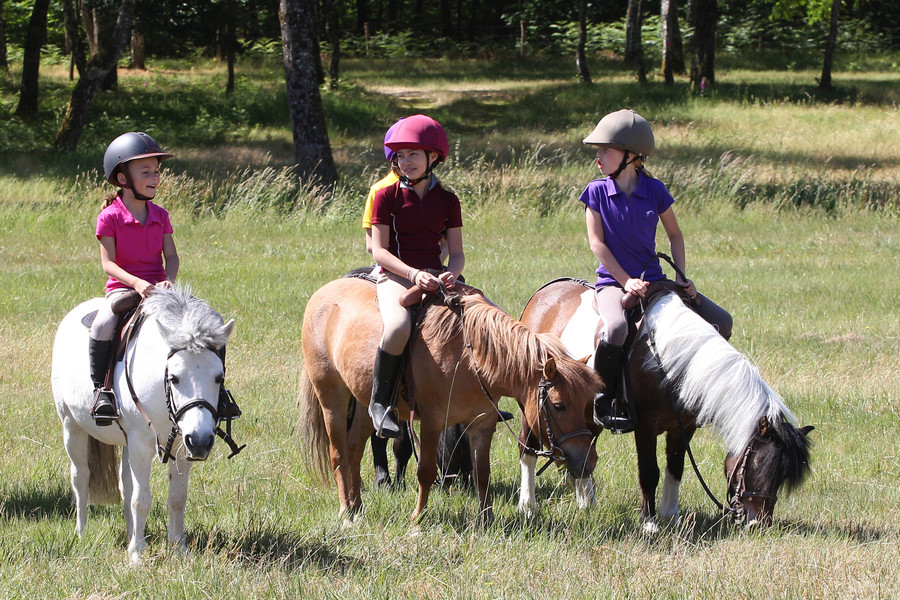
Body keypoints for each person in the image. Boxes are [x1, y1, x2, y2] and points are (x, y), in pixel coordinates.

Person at [579, 109, 733, 433]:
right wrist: (625, 281)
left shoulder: (656, 190)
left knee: (721, 321)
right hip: (612, 283)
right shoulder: (595, 192)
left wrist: (681, 278)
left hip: (655, 281)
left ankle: (699, 395)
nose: (599, 156)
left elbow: (675, 235)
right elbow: (597, 245)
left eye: (605, 149)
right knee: (617, 329)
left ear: (630, 156)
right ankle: (606, 400)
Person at [90, 132, 240, 426]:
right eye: (145, 172)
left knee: (212, 320)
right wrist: (135, 283)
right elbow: (108, 263)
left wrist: (169, 279)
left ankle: (219, 393)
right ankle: (102, 391)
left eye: (156, 171)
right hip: (124, 288)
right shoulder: (109, 217)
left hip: (161, 291)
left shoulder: (160, 214)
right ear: (123, 179)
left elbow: (171, 257)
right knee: (102, 324)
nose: (155, 177)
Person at [368, 114, 464, 438]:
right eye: (401, 155)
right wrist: (413, 273)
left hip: (437, 278)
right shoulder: (386, 196)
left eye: (413, 154)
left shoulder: (449, 201)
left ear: (433, 157)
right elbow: (379, 251)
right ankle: (380, 404)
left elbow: (458, 253)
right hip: (396, 275)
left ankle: (478, 398)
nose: (405, 161)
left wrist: (452, 274)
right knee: (397, 326)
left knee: (487, 314)